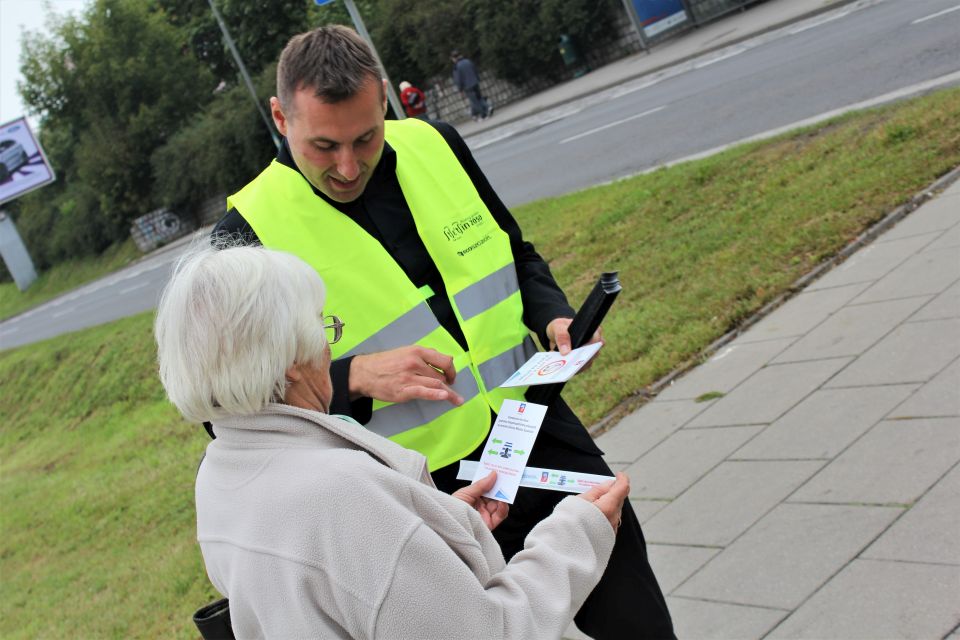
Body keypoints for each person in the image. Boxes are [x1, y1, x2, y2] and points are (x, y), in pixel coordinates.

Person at [212, 25, 675, 639]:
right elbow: (230, 412)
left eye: (366, 138)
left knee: (635, 616)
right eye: (323, 146)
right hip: (430, 492)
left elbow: (515, 254)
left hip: (535, 427)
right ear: (279, 116)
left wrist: (554, 316)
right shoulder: (245, 234)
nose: (347, 166)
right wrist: (353, 377)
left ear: (384, 100)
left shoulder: (438, 144)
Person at [155, 244, 629, 639]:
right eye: (322, 328)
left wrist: (436, 524)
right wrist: (577, 532)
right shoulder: (338, 494)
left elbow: (349, 590)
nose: (329, 346)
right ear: (289, 362)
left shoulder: (220, 475)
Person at [451, 49, 492, 120]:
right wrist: (478, 79)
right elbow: (475, 70)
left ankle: (484, 113)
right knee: (479, 98)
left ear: (454, 58)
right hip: (475, 82)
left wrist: (460, 88)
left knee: (475, 101)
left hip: (468, 87)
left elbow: (458, 79)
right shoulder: (468, 61)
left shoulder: (457, 66)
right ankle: (487, 107)